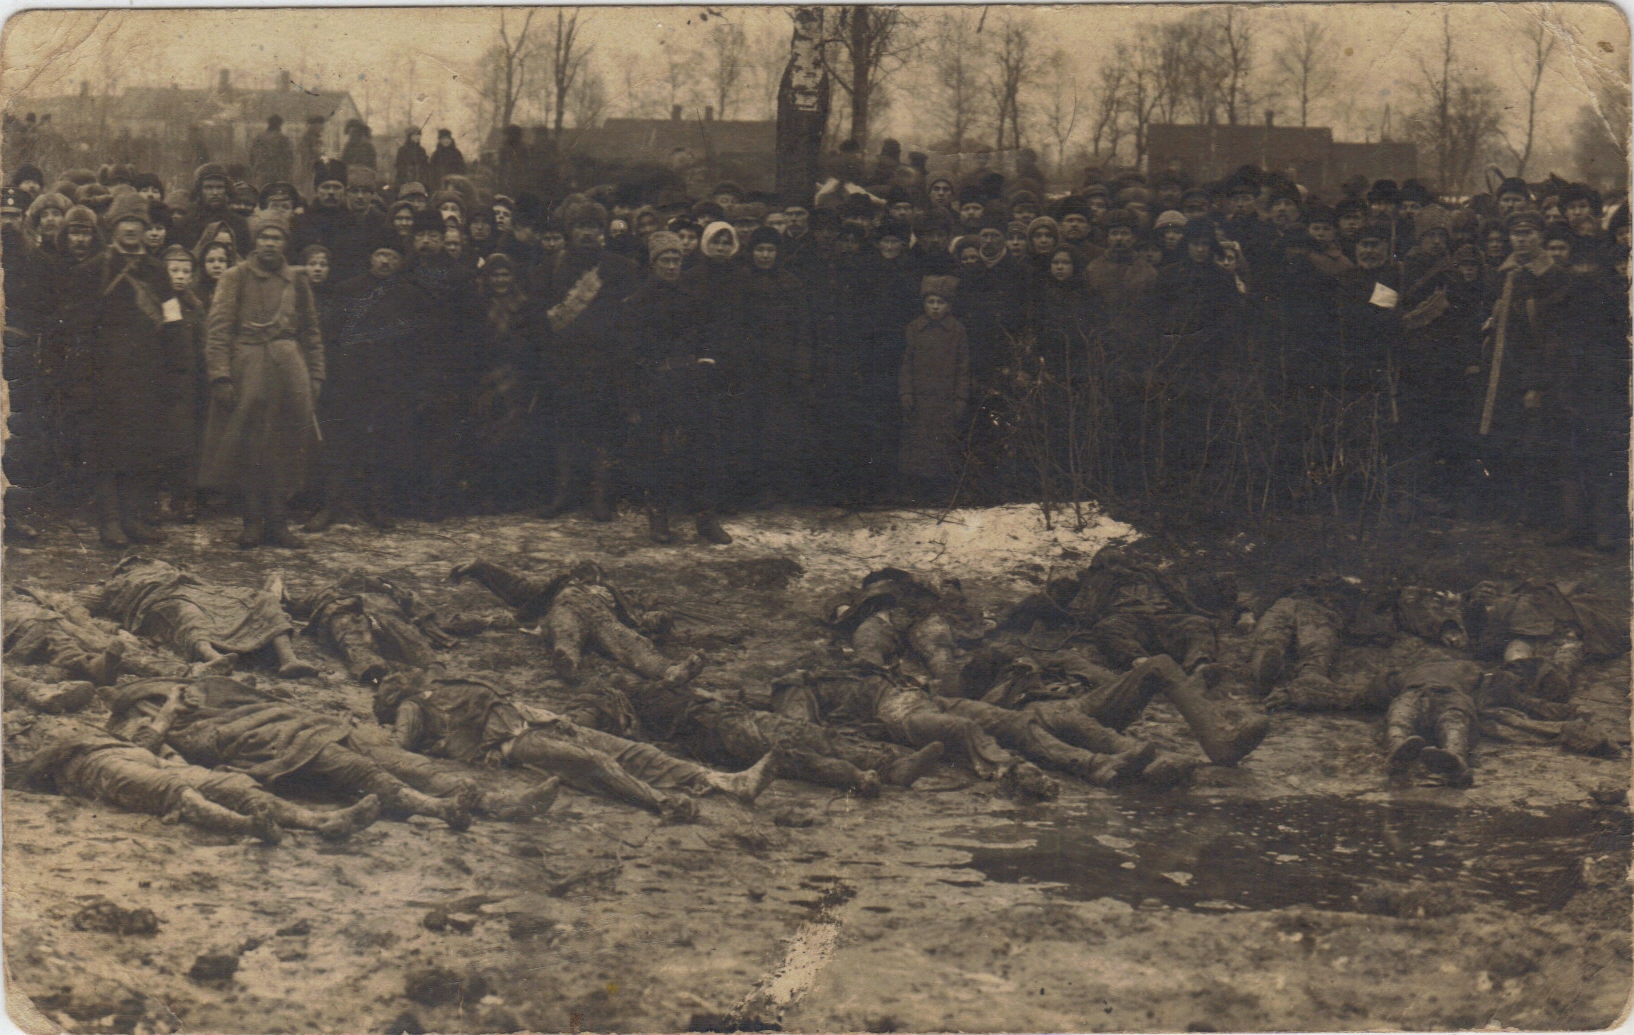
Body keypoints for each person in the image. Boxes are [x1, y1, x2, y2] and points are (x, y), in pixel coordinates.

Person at [371, 669, 775, 822]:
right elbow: (400, 745)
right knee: (595, 761)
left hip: (541, 721)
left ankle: (724, 781)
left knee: (632, 751)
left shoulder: (435, 689)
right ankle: (663, 803)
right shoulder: (412, 706)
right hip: (518, 742)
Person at [59, 192, 191, 547]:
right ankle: (110, 521)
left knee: (142, 448)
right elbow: (79, 332)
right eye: (124, 221)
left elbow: (173, 322)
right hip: (106, 377)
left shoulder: (158, 272)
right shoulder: (92, 271)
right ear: (113, 226)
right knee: (106, 451)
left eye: (137, 222)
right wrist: (82, 380)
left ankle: (134, 519)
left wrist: (177, 371)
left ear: (146, 227)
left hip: (148, 375)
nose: (131, 228)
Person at [196, 208, 325, 548]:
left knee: (285, 447)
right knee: (250, 447)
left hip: (289, 370)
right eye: (265, 237)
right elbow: (218, 330)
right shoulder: (235, 277)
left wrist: (315, 375)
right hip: (248, 369)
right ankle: (252, 522)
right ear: (255, 241)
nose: (270, 243)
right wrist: (220, 376)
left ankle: (279, 523)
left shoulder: (296, 279)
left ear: (285, 243)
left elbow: (311, 331)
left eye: (277, 237)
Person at [615, 229, 731, 544]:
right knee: (657, 452)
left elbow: (708, 336)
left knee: (702, 449)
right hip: (655, 386)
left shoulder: (694, 297)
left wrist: (706, 362)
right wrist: (637, 390)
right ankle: (659, 517)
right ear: (653, 263)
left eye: (676, 260)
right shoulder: (637, 302)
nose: (670, 266)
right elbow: (628, 353)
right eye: (664, 260)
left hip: (691, 384)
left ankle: (705, 518)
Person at [451, 557, 706, 688]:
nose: (587, 574)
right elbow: (518, 586)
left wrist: (659, 618)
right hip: (568, 607)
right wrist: (481, 567)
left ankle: (670, 671)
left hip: (599, 616)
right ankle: (568, 662)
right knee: (568, 632)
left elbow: (646, 614)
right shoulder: (561, 586)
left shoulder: (616, 594)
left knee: (627, 641)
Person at [82, 556, 319, 678]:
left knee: (260, 599)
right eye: (130, 563)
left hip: (198, 592)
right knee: (188, 615)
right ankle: (214, 659)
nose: (136, 562)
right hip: (160, 600)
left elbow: (203, 582)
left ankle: (288, 659)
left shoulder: (168, 568)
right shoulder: (112, 585)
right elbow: (82, 601)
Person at [898, 275, 970, 498]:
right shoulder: (914, 328)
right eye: (931, 302)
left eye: (941, 302)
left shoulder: (957, 330)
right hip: (920, 398)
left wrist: (960, 398)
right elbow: (906, 363)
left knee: (944, 445)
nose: (936, 307)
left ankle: (942, 493)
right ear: (924, 304)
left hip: (945, 398)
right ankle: (918, 492)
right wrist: (906, 392)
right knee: (919, 445)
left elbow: (963, 367)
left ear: (949, 305)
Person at [248, 114, 293, 187]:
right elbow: (289, 157)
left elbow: (252, 155)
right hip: (278, 172)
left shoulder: (259, 137)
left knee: (263, 190)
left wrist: (254, 168)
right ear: (280, 125)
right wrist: (288, 171)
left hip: (262, 171)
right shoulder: (283, 138)